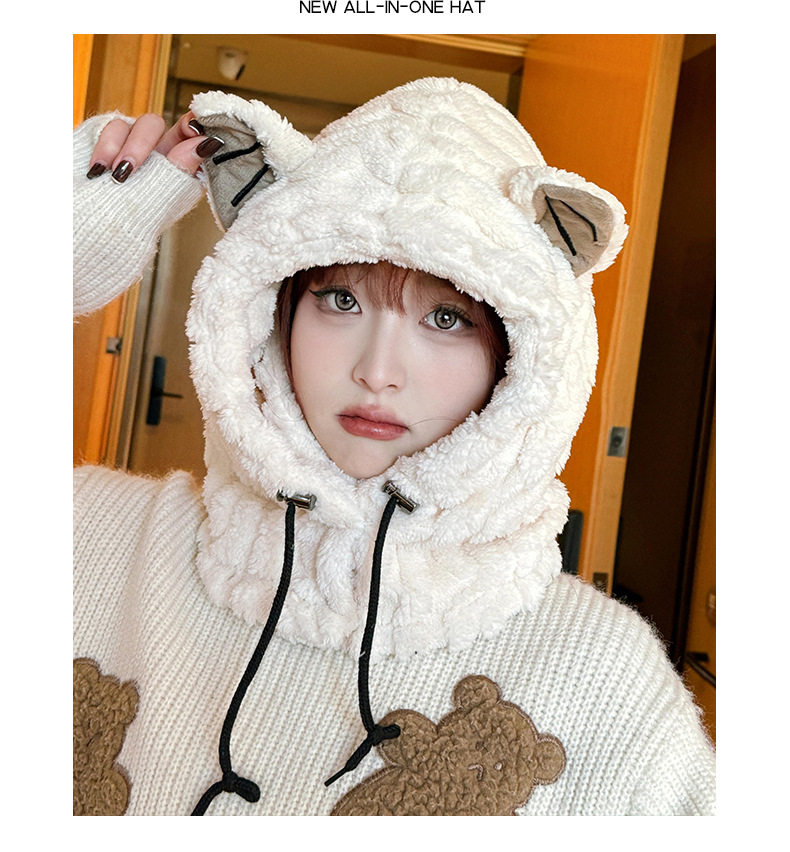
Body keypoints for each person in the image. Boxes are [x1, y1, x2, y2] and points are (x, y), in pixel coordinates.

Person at [73, 77, 715, 816]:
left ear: (523, 354)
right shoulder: (89, 532)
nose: (377, 372)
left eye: (446, 319)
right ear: (272, 308)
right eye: (340, 299)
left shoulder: (608, 682)